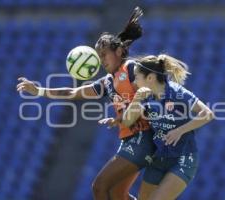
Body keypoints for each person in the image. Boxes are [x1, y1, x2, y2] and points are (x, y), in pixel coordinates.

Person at [17, 7, 156, 200]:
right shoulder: (107, 83)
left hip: (143, 138)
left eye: (104, 55)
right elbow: (73, 92)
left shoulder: (131, 69)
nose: (101, 61)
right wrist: (39, 90)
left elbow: (152, 90)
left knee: (99, 187)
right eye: (98, 57)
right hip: (129, 140)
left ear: (118, 51)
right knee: (117, 194)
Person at [121, 54, 214, 200]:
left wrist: (179, 130)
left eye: (137, 77)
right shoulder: (144, 96)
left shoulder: (177, 93)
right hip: (159, 158)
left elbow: (207, 114)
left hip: (183, 158)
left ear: (150, 78)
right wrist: (136, 100)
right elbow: (127, 122)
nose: (134, 81)